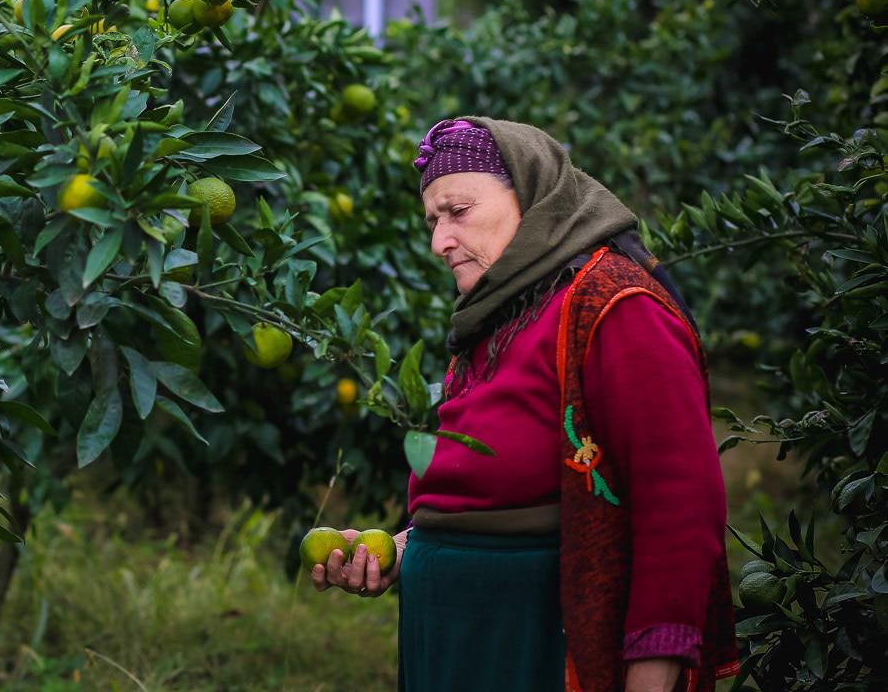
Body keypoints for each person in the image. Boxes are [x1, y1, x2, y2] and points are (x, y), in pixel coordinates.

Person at [309, 118, 739, 692]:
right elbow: (483, 492)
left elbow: (679, 505)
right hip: (452, 638)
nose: (439, 242)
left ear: (534, 197)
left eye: (458, 212)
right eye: (433, 221)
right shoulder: (497, 316)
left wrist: (651, 673)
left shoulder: (613, 307)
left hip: (536, 642)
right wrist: (402, 547)